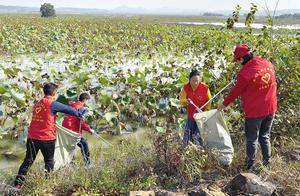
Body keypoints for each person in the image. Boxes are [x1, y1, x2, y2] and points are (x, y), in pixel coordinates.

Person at [14, 83, 86, 189]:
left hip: (32, 137)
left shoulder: (38, 103)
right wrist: (81, 113)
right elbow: (71, 111)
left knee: (28, 160)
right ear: (54, 93)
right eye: (56, 93)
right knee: (49, 161)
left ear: (44, 92)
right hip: (46, 138)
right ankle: (47, 183)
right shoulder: (53, 103)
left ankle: (18, 184)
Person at [218, 44, 277, 170]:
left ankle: (249, 165)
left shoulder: (245, 73)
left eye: (237, 60)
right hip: (271, 108)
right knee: (265, 136)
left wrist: (223, 105)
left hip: (255, 111)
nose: (238, 63)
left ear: (241, 59)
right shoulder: (267, 63)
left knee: (252, 138)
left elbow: (235, 92)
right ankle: (267, 163)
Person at [62, 93, 95, 167]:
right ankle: (88, 164)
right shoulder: (81, 108)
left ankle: (71, 163)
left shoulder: (72, 105)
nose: (88, 103)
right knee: (84, 145)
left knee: (69, 147)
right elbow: (81, 123)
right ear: (85, 100)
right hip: (72, 131)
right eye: (88, 101)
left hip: (65, 130)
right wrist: (89, 129)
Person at [180, 69, 212, 145]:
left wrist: (206, 111)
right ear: (189, 80)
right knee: (187, 135)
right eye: (193, 80)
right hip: (191, 116)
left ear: (200, 80)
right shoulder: (185, 88)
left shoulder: (205, 88)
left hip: (201, 116)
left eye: (197, 80)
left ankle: (198, 151)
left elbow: (209, 100)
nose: (195, 83)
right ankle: (185, 150)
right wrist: (185, 101)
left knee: (198, 136)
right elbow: (181, 100)